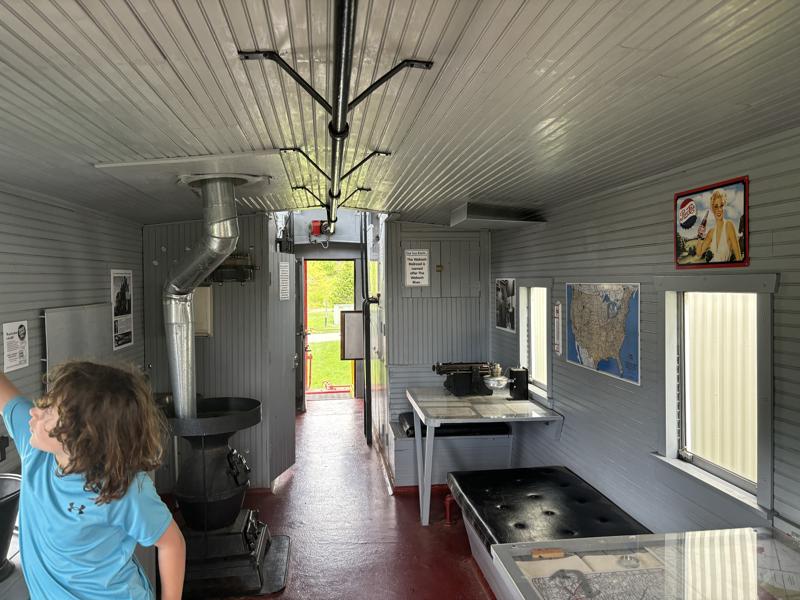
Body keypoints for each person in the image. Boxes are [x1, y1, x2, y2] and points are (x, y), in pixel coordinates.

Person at [0, 361, 185, 599]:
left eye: (49, 411)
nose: (35, 411)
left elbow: (172, 543)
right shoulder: (34, 446)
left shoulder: (124, 489)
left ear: (83, 439)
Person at [696, 189, 742, 263]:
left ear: (725, 206)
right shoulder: (711, 232)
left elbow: (739, 258)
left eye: (721, 205)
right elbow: (699, 253)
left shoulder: (729, 225)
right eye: (716, 206)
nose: (719, 209)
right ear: (712, 209)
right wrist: (700, 236)